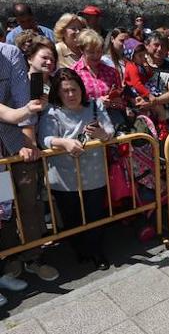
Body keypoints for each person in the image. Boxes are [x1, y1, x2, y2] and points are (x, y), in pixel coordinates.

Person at [38, 68, 114, 270]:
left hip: (94, 174)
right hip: (64, 177)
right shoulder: (52, 111)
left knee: (95, 215)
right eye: (65, 91)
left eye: (74, 89)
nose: (71, 94)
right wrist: (63, 142)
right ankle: (80, 250)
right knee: (71, 217)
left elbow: (110, 132)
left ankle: (97, 252)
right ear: (57, 92)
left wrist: (101, 134)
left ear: (81, 89)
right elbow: (43, 139)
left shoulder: (95, 106)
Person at [0, 42, 59, 282]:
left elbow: (23, 101)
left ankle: (34, 257)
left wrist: (28, 144)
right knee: (4, 205)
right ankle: (10, 257)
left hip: (18, 139)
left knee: (28, 200)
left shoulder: (10, 53)